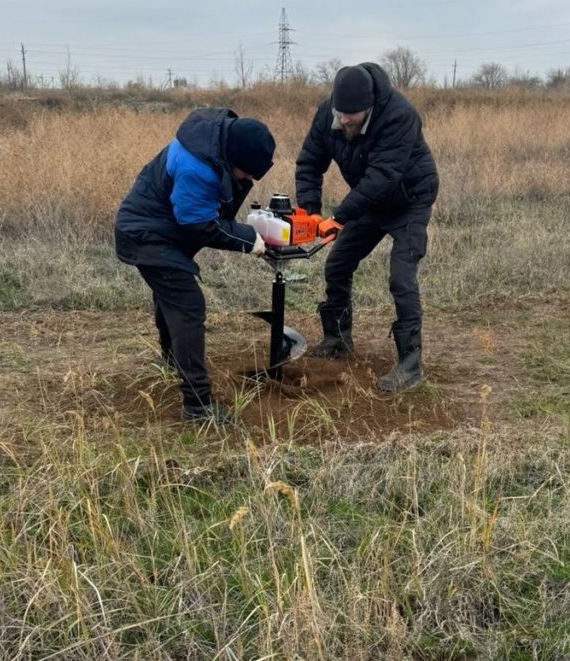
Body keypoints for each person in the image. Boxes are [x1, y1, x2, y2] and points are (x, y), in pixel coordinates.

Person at [115, 108, 274, 423]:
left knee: (171, 297)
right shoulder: (196, 166)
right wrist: (249, 240)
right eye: (247, 173)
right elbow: (197, 223)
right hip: (146, 234)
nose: (248, 180)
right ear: (233, 158)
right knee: (187, 305)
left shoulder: (215, 142)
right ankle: (198, 405)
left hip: (159, 229)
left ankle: (173, 363)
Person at [295, 63, 439, 392]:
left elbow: (382, 178)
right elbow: (309, 163)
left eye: (353, 115)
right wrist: (312, 213)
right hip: (371, 201)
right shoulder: (326, 114)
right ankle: (338, 339)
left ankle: (410, 363)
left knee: (401, 276)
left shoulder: (400, 116)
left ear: (370, 106)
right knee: (338, 263)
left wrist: (340, 217)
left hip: (410, 199)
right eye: (340, 113)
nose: (344, 120)